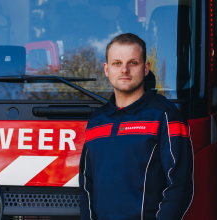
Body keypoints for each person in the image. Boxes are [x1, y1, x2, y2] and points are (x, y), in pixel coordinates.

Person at [79, 33, 194, 220]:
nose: (124, 70)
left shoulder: (166, 116)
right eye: (117, 63)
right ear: (106, 69)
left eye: (133, 63)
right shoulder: (96, 122)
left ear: (146, 68)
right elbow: (86, 186)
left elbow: (179, 186)